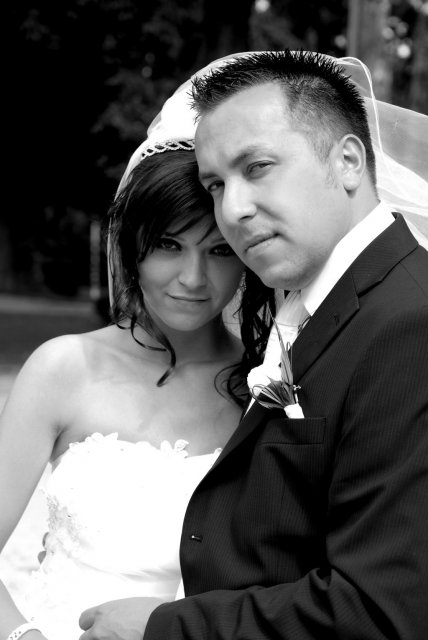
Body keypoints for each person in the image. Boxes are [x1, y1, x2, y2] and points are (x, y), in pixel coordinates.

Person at [79, 51, 428, 640]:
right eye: (216, 185)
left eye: (258, 167)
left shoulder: (410, 322)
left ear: (347, 161)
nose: (233, 210)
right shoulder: (316, 308)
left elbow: (381, 613)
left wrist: (162, 629)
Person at [0, 143, 276, 640]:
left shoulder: (264, 387)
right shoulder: (63, 368)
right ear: (132, 248)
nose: (192, 279)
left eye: (219, 250)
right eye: (169, 245)